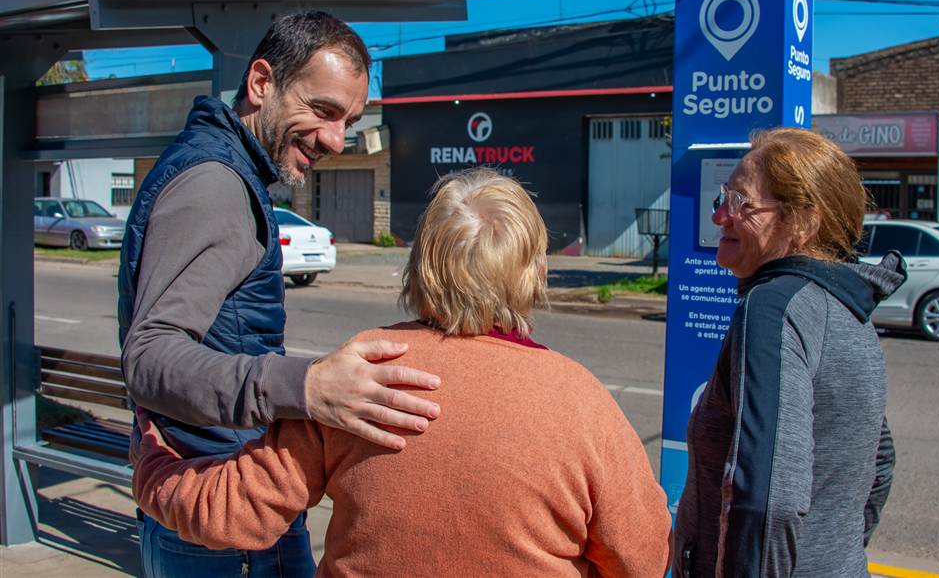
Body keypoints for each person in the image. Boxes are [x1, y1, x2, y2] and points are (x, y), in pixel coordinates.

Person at [129, 168, 673, 577]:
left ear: (422, 265)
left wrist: (151, 460)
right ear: (533, 273)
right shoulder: (577, 397)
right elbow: (643, 557)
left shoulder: (361, 369)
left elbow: (232, 514)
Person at [118, 11, 441, 577]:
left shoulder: (228, 171)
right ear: (261, 83)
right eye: (323, 111)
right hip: (220, 516)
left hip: (225, 505)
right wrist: (309, 386)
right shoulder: (216, 184)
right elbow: (150, 357)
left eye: (350, 120)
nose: (337, 140)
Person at [673, 127, 904, 578]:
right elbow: (880, 463)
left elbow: (764, 495)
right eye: (721, 198)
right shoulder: (846, 305)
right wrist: (834, 556)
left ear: (803, 222)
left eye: (740, 203)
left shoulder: (774, 307)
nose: (720, 216)